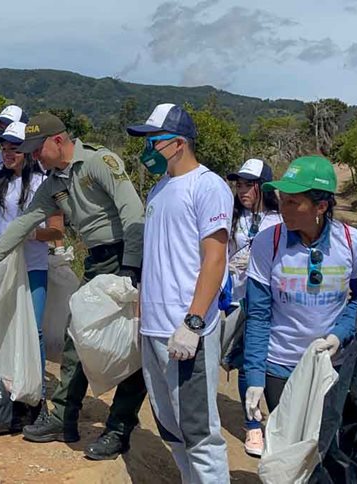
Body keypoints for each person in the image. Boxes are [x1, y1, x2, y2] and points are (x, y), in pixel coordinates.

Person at [0, 112, 146, 460]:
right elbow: (22, 225)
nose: (33, 157)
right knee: (76, 335)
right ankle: (64, 417)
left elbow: (132, 212)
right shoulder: (53, 183)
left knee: (133, 345)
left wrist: (132, 268)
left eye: (37, 149)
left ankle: (119, 429)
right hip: (97, 260)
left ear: (58, 141)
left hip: (129, 255)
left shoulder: (98, 162)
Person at [127, 103, 231, 482]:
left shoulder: (208, 186)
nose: (148, 149)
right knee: (172, 430)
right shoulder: (158, 189)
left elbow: (215, 258)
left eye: (153, 140)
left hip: (185, 329)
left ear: (178, 143)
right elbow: (156, 258)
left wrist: (194, 321)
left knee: (199, 432)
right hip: (153, 327)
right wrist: (139, 315)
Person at [243, 156, 357, 423]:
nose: (283, 208)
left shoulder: (352, 242)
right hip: (280, 368)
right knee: (290, 448)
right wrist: (255, 377)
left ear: (321, 206)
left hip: (332, 366)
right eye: (282, 199)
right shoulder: (267, 243)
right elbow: (258, 314)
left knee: (327, 449)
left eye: (293, 202)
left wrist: (340, 334)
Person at [0, 121, 64, 427]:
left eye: (15, 148)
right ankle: (1, 388)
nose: (8, 154)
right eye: (4, 148)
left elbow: (56, 230)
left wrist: (32, 236)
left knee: (32, 329)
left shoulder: (43, 183)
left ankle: (34, 393)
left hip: (32, 266)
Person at [226, 158, 282, 458]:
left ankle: (279, 423)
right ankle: (252, 426)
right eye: (239, 184)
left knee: (271, 363)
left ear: (265, 187)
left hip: (270, 304)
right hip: (238, 300)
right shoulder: (234, 219)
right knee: (248, 363)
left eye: (249, 184)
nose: (242, 190)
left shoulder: (280, 221)